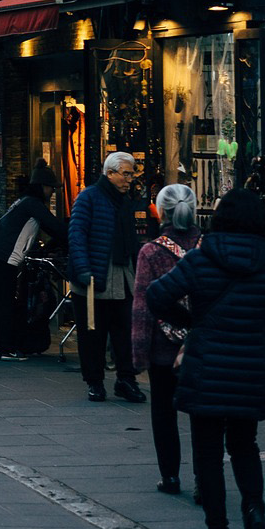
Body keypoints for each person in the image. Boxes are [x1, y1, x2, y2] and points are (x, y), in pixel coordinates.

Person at [146, 189, 265, 529]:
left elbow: (156, 296)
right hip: (251, 367)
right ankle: (254, 509)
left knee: (207, 453)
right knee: (245, 445)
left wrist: (192, 323)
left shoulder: (201, 259)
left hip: (206, 365)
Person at [132, 184, 203, 498]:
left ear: (162, 212)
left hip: (164, 348)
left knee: (163, 414)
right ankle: (205, 479)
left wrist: (138, 354)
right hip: (202, 347)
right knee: (203, 418)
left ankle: (170, 476)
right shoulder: (208, 247)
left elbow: (142, 306)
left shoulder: (151, 251)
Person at [68, 151, 148, 404]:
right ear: (110, 173)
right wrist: (83, 270)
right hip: (95, 275)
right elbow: (77, 235)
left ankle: (126, 379)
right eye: (125, 174)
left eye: (131, 174)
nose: (129, 179)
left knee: (125, 332)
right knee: (93, 333)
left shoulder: (125, 200)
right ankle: (95, 382)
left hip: (122, 275)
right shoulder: (89, 197)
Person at [0, 169, 67, 359]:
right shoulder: (33, 204)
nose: (52, 192)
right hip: (5, 258)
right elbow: (55, 228)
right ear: (43, 187)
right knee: (5, 302)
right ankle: (7, 347)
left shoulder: (22, 201)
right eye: (51, 188)